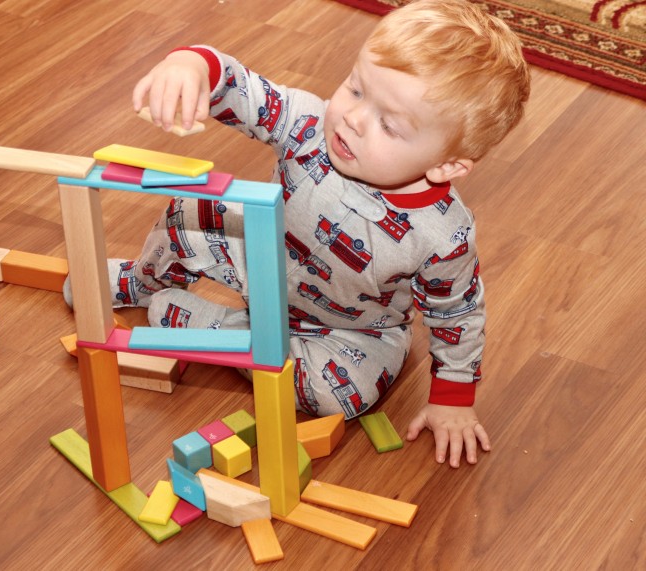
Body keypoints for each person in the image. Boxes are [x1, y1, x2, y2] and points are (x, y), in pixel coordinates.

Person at [65, 0, 530, 468]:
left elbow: (458, 315)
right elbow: (245, 91)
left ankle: (228, 333)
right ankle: (143, 281)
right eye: (355, 88)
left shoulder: (443, 236)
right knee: (191, 211)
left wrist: (452, 397)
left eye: (388, 124)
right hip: (262, 260)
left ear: (446, 164)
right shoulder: (308, 123)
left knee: (345, 395)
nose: (352, 117)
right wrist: (193, 65)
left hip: (352, 331)